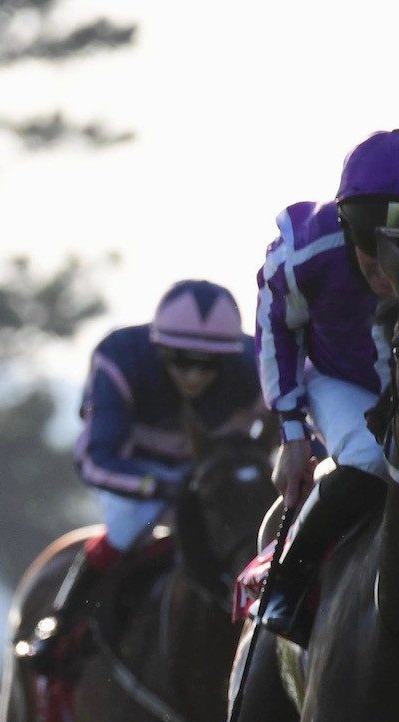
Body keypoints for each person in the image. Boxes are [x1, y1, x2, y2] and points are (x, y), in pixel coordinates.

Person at [17, 280, 264, 673]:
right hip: (134, 474)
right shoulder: (120, 358)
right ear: (160, 348)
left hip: (206, 474)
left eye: (209, 363)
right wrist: (160, 486)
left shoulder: (255, 364)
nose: (195, 375)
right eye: (182, 360)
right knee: (129, 523)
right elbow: (97, 459)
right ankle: (60, 626)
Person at [253, 129, 399, 642]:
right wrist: (292, 436)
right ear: (343, 221)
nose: (383, 262)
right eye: (367, 233)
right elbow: (277, 327)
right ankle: (284, 591)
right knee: (369, 457)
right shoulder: (304, 252)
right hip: (340, 381)